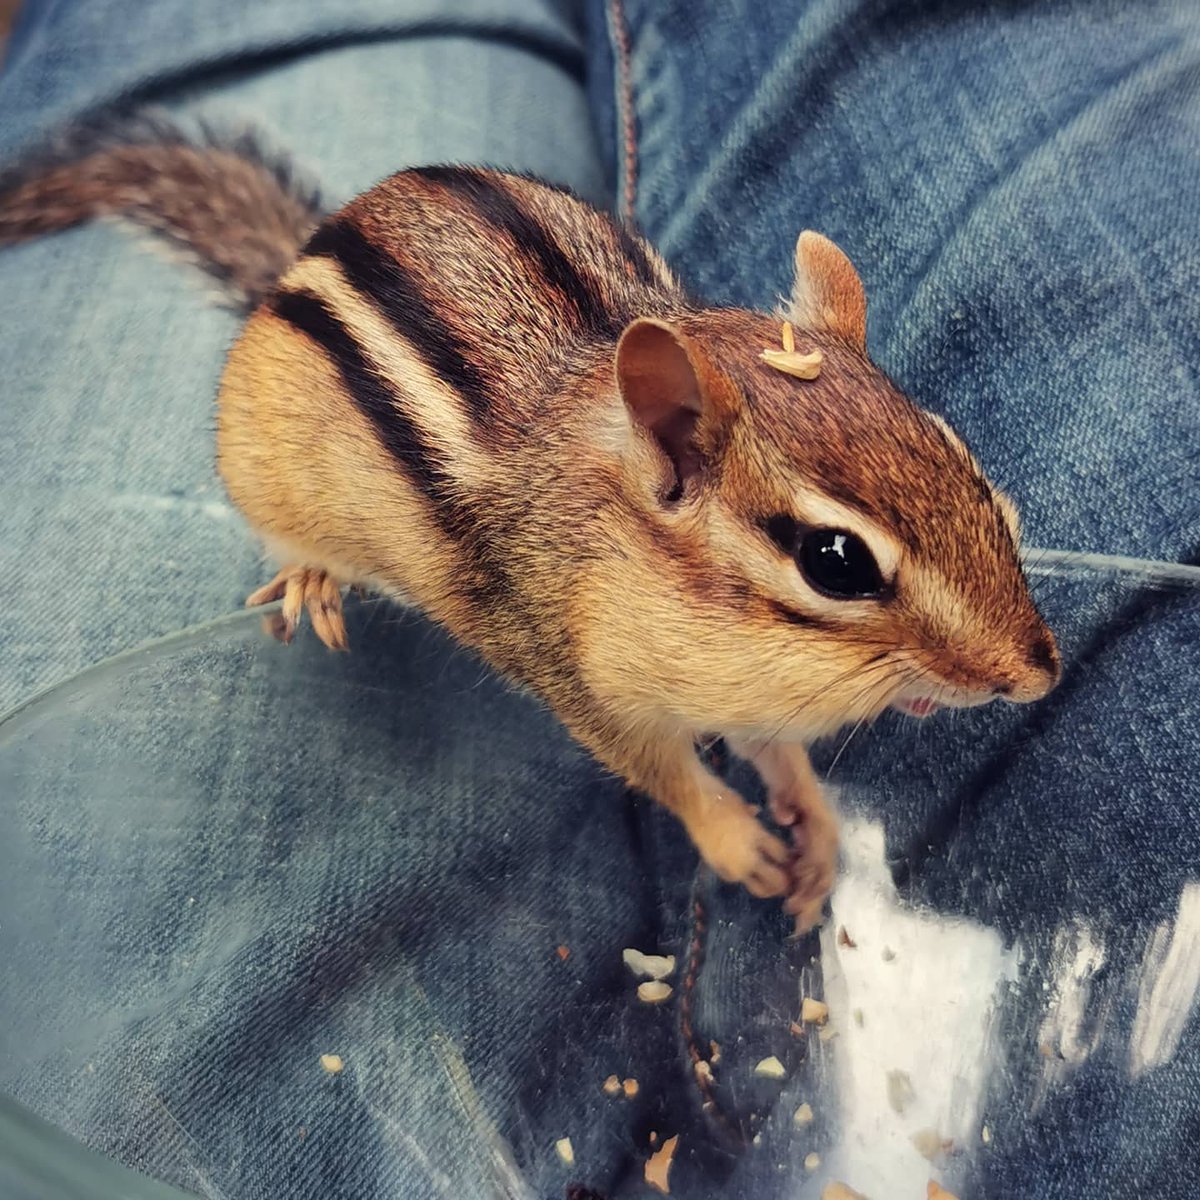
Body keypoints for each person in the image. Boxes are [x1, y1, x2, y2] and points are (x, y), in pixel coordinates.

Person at [0, 1, 1196, 1196]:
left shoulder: (721, 535)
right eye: (842, 567)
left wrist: (796, 787)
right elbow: (603, 698)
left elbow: (748, 677)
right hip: (357, 374)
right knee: (272, 476)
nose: (1024, 668)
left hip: (538, 280)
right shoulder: (586, 567)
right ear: (671, 456)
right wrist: (707, 815)